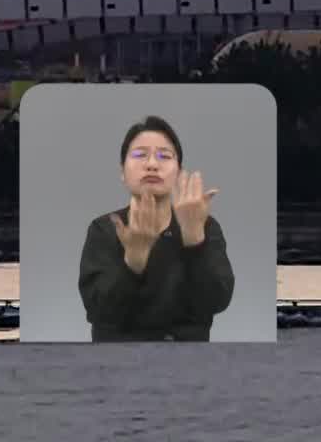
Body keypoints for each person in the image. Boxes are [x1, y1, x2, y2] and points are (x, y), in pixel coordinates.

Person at [77, 115, 234, 341]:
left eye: (164, 156)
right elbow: (100, 311)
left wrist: (194, 241)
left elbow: (216, 302)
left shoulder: (205, 225)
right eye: (140, 155)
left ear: (179, 172)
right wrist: (133, 261)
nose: (152, 164)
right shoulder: (104, 229)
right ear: (122, 171)